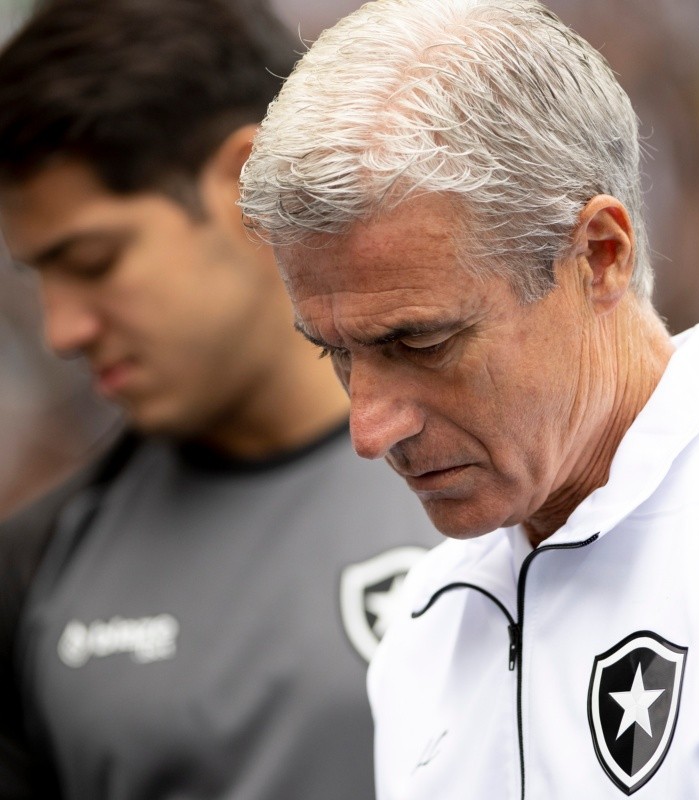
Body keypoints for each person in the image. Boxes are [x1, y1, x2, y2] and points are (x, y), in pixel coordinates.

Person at [239, 0, 699, 797]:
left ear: (599, 256)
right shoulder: (424, 623)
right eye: (337, 353)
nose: (367, 427)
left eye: (421, 342)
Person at [0, 1, 439, 798]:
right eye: (41, 278)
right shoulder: (35, 570)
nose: (62, 329)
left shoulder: (533, 476)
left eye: (95, 261)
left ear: (244, 183)